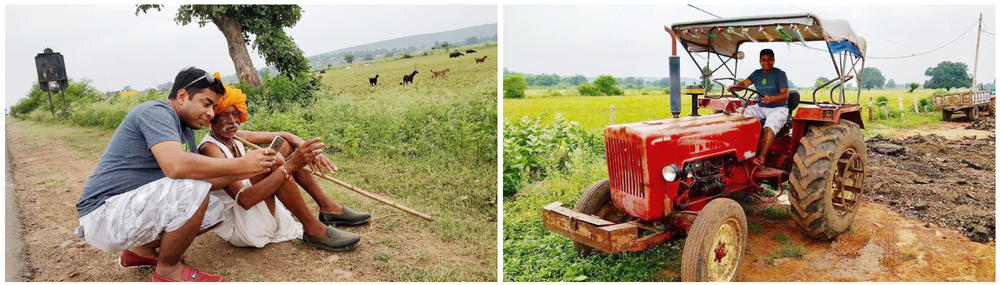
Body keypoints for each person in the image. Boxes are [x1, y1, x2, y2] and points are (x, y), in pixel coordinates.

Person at [75, 67, 277, 282]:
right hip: (103, 214)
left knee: (214, 207)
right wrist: (240, 164)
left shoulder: (185, 129)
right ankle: (169, 271)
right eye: (206, 103)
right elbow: (176, 166)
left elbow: (207, 180)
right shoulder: (156, 112)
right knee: (193, 188)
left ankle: (140, 252)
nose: (210, 114)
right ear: (182, 96)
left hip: (124, 211)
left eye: (214, 107)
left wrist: (252, 169)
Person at [197, 86, 370, 251]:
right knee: (275, 160)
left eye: (235, 114)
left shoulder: (235, 136)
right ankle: (313, 229)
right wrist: (292, 164)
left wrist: (302, 146)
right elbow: (244, 200)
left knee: (287, 147)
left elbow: (284, 136)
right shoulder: (210, 148)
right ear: (212, 118)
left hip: (253, 206)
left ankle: (329, 208)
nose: (232, 121)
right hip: (243, 223)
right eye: (224, 116)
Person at [728, 48, 789, 173]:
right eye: (764, 60)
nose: (767, 63)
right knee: (740, 115)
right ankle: (741, 151)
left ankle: (761, 158)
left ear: (773, 60)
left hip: (778, 108)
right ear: (760, 61)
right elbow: (745, 83)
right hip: (761, 107)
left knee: (769, 126)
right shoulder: (757, 73)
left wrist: (771, 99)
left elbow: (785, 95)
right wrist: (735, 87)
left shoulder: (780, 74)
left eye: (769, 60)